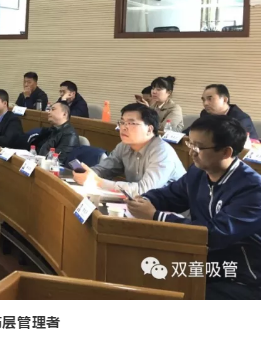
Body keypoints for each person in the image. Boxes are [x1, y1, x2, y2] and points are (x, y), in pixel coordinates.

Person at [128, 115, 261, 300]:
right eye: (190, 144)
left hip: (244, 277)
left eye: (198, 147)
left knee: (178, 294)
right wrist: (143, 199)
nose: (192, 152)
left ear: (226, 152)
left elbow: (215, 234)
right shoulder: (198, 172)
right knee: (144, 274)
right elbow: (171, 195)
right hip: (205, 262)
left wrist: (156, 216)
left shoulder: (253, 189)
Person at [73, 103, 185, 195]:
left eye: (131, 123)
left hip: (169, 211)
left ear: (149, 129)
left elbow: (144, 190)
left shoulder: (162, 152)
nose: (124, 127)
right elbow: (105, 169)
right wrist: (87, 174)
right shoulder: (124, 145)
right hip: (139, 204)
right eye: (122, 122)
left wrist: (98, 182)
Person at [183, 84, 259, 140]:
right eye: (203, 100)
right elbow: (192, 130)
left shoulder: (241, 119)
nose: (205, 103)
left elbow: (242, 146)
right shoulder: (205, 113)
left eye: (210, 99)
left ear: (225, 100)